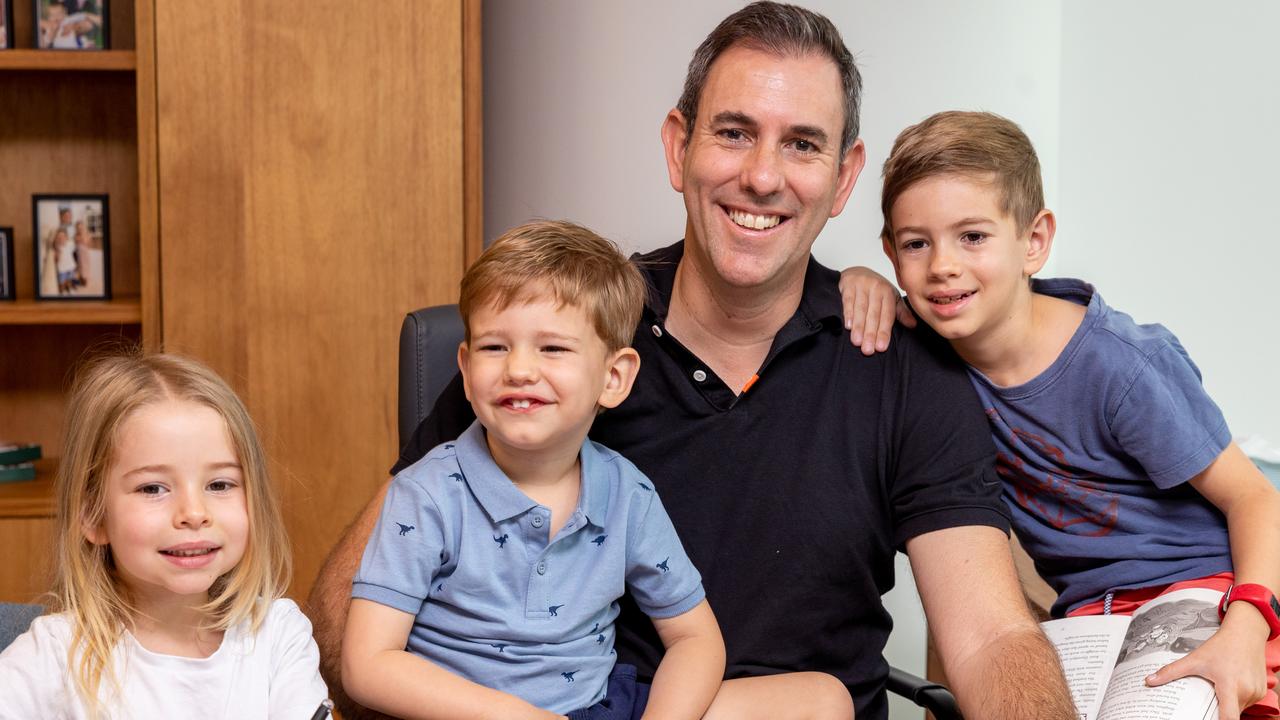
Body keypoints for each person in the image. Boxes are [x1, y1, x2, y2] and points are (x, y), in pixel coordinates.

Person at [308, 4, 1076, 719]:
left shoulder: (899, 363)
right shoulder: (559, 340)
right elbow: (350, 621)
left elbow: (990, 638)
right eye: (734, 133)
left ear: (844, 177)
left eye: (803, 144)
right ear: (680, 147)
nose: (764, 177)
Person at [853, 109, 1280, 719]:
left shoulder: (1121, 365)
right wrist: (861, 283)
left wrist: (1247, 622)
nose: (942, 265)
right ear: (893, 252)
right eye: (917, 243)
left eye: (972, 237)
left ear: (1034, 240)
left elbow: (1256, 498)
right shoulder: (928, 361)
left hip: (1213, 594)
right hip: (1090, 623)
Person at [343, 220, 743, 720]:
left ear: (613, 378)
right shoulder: (426, 494)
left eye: (552, 347)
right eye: (495, 347)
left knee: (822, 698)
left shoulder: (627, 493)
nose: (519, 369)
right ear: (465, 372)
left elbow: (695, 638)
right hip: (471, 715)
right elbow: (367, 664)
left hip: (597, 706)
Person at [0, 352, 329, 718]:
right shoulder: (54, 655)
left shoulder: (278, 634)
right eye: (153, 489)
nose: (193, 513)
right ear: (92, 515)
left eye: (219, 484)